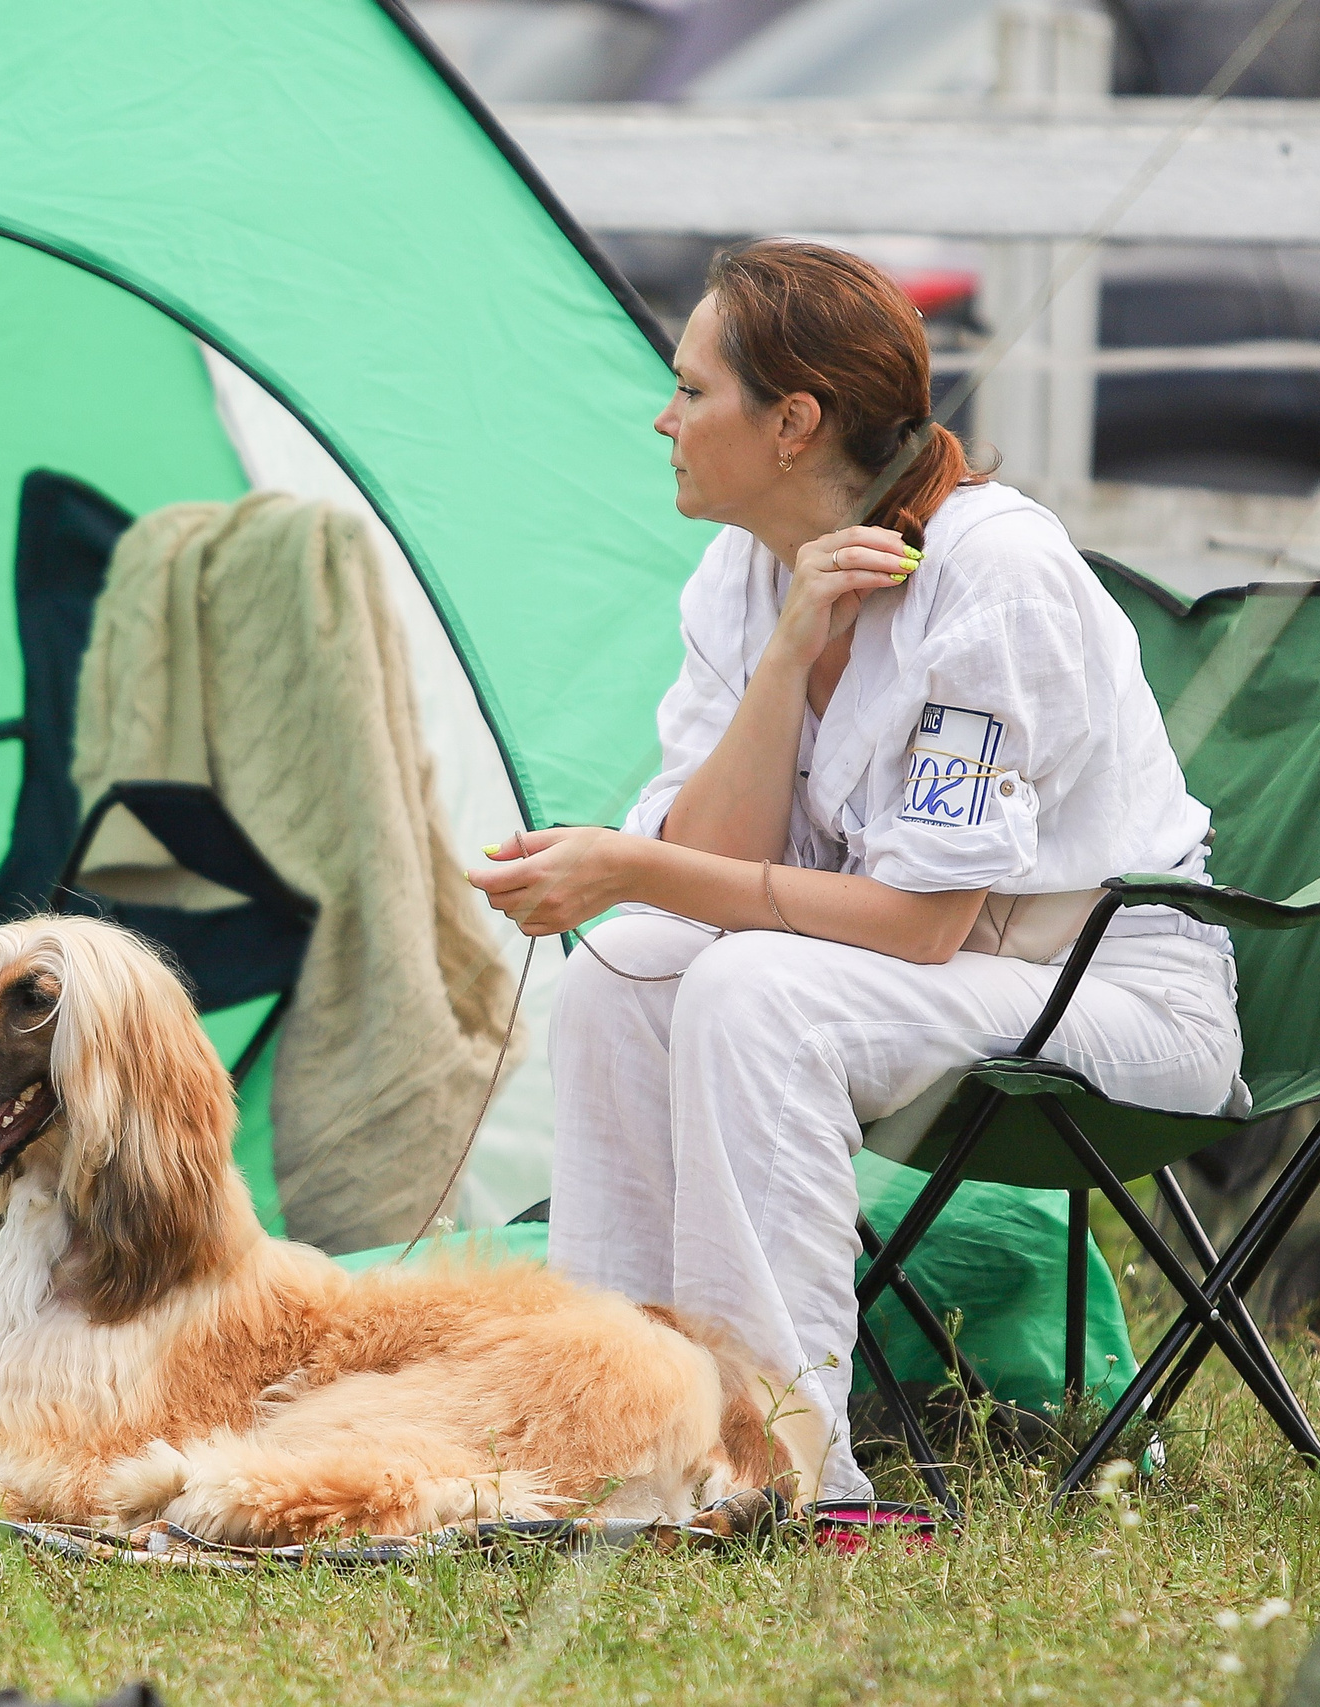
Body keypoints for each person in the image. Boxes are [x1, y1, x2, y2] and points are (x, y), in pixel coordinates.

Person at [466, 241, 1246, 1503]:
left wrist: (624, 863)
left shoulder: (992, 570)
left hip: (1111, 995)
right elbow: (700, 870)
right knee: (625, 969)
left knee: (751, 989)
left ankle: (784, 1470)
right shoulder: (740, 573)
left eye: (689, 391)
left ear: (791, 421)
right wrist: (786, 658)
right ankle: (617, 1433)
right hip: (913, 980)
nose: (660, 418)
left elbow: (924, 924)